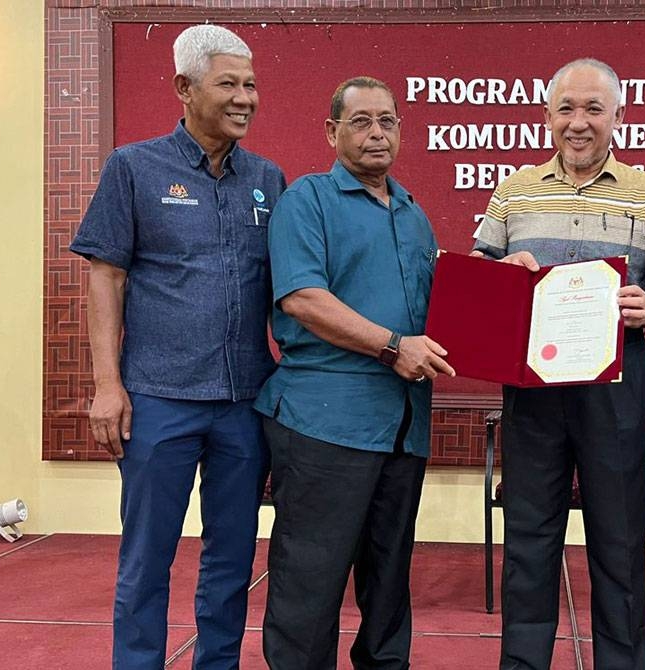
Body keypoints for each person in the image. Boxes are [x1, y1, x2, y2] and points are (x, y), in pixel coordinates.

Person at [70, 25, 285, 670]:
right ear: (184, 89)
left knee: (232, 559)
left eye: (250, 84)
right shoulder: (133, 168)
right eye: (229, 84)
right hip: (157, 399)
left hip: (245, 402)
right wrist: (108, 386)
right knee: (147, 556)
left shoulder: (267, 179)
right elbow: (105, 275)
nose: (245, 97)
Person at [471, 58, 645, 669]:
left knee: (619, 544)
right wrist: (499, 276)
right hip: (531, 390)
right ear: (546, 117)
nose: (579, 122)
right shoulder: (514, 191)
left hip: (617, 390)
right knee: (528, 537)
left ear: (620, 117)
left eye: (594, 109)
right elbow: (475, 275)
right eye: (566, 109)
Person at [255, 76, 454, 670]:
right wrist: (393, 347)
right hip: (323, 422)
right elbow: (303, 299)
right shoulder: (307, 200)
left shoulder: (415, 214)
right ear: (332, 131)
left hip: (402, 426)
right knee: (309, 583)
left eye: (387, 121)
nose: (376, 134)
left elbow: (441, 307)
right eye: (361, 121)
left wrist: (514, 281)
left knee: (390, 582)